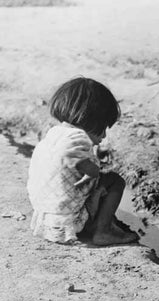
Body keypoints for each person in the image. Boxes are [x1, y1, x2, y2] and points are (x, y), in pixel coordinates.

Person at [26, 77, 136, 247]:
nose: (104, 136)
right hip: (72, 222)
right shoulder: (78, 138)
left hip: (46, 218)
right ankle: (103, 230)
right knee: (114, 181)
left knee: (89, 186)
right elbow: (81, 164)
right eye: (103, 128)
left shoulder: (53, 134)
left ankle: (104, 222)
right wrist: (93, 172)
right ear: (91, 119)